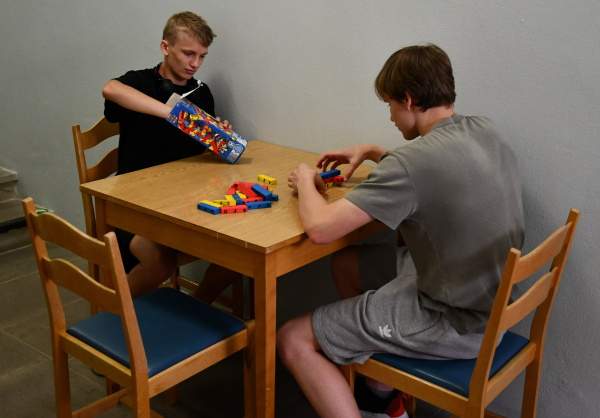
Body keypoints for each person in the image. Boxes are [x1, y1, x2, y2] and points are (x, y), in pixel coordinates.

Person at [277, 44, 524, 418]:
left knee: (292, 339)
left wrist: (306, 180)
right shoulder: (482, 129)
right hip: (492, 302)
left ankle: (372, 384)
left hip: (454, 321)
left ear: (408, 99)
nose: (391, 116)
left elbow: (321, 228)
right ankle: (381, 392)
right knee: (347, 264)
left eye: (390, 104)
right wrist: (372, 151)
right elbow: (431, 172)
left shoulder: (413, 162)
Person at [102, 11, 240, 298]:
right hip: (134, 199)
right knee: (157, 259)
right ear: (166, 47)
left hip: (182, 200)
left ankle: (197, 308)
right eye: (188, 54)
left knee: (238, 253)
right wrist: (170, 112)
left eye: (202, 56)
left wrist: (218, 136)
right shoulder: (141, 81)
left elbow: (203, 153)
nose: (195, 64)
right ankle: (115, 311)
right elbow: (110, 89)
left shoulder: (201, 92)